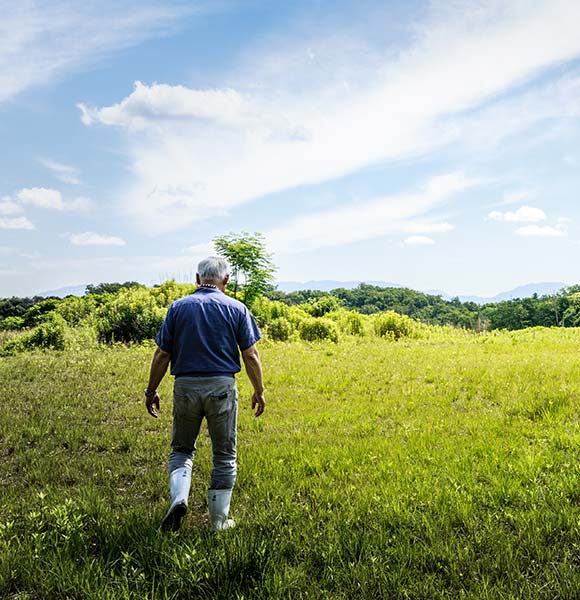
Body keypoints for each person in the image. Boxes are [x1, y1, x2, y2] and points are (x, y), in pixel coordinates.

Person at [144, 256, 265, 532]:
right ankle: (218, 521)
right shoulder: (237, 308)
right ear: (226, 280)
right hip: (222, 388)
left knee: (182, 449)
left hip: (185, 387)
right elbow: (251, 354)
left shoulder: (178, 308)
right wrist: (259, 390)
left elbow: (163, 353)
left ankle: (179, 498)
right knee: (224, 455)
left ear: (197, 280)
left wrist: (151, 391)